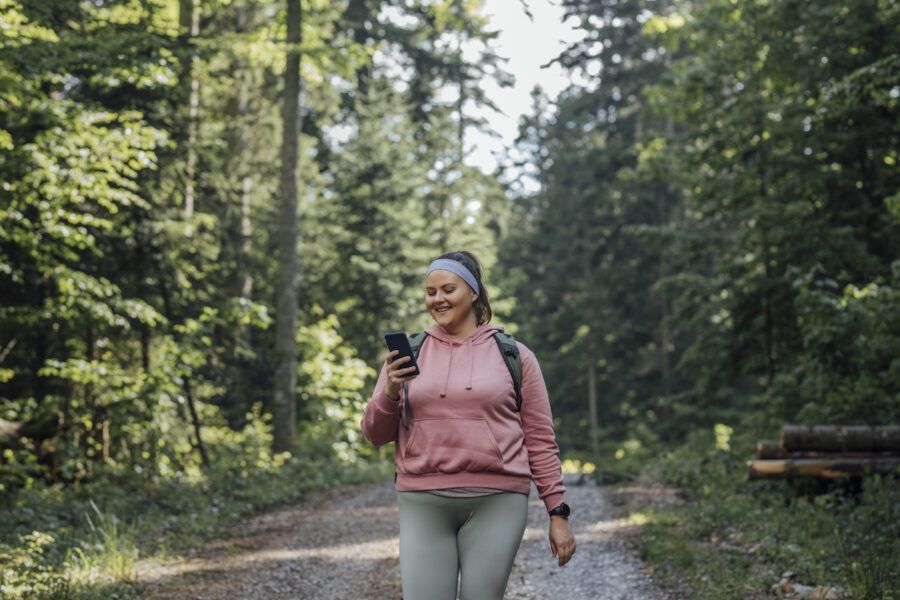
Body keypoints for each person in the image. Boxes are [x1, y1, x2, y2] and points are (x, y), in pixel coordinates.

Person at [360, 250, 576, 600]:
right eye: (431, 292)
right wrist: (390, 390)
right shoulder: (409, 354)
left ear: (474, 292)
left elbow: (539, 439)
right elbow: (375, 434)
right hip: (422, 501)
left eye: (448, 289)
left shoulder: (515, 355)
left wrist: (557, 512)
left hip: (498, 501)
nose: (438, 299)